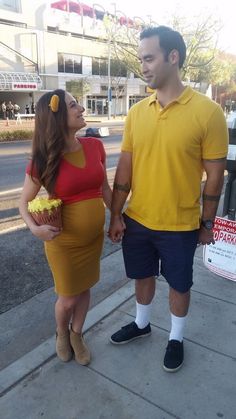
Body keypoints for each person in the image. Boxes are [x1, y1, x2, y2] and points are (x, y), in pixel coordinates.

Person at [108, 26, 228, 372]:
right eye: (141, 59)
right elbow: (125, 170)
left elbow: (216, 176)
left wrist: (207, 224)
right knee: (142, 277)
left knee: (179, 283)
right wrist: (116, 215)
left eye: (149, 58)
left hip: (180, 225)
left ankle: (175, 337)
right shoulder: (136, 113)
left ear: (173, 57)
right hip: (139, 220)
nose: (142, 66)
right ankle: (142, 325)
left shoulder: (207, 113)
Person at [19, 89, 112, 365]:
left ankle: (77, 334)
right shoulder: (44, 158)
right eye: (74, 105)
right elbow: (23, 203)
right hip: (63, 243)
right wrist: (35, 229)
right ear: (58, 116)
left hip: (93, 239)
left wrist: (118, 216)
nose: (81, 108)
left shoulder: (95, 147)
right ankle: (61, 332)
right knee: (67, 298)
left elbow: (104, 189)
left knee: (84, 289)